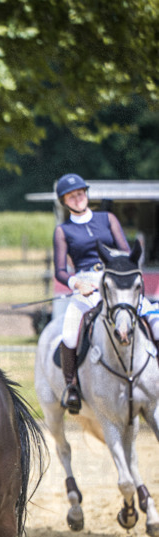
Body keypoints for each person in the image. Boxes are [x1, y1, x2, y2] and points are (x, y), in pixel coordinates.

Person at [54, 173, 159, 413]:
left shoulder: (107, 218)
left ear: (86, 194)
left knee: (155, 322)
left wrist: (118, 274)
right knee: (69, 333)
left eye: (81, 193)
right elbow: (60, 271)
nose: (78, 198)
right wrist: (76, 284)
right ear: (65, 201)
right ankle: (71, 387)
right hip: (85, 284)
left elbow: (125, 251)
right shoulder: (63, 230)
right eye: (72, 196)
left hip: (115, 280)